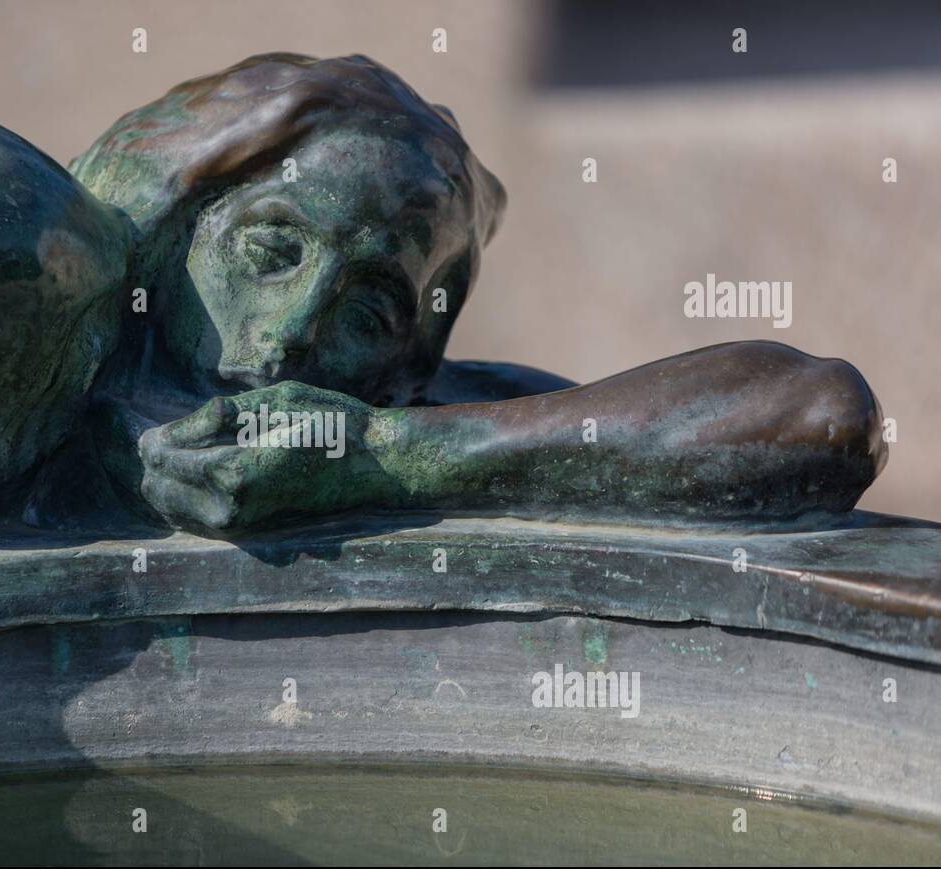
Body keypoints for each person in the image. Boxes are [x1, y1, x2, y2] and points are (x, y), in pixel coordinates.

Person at [69, 53, 885, 532]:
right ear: (173, 226)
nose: (289, 335)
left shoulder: (389, 423)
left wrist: (383, 460)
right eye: (272, 250)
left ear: (405, 366)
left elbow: (820, 416)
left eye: (365, 313)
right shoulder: (15, 382)